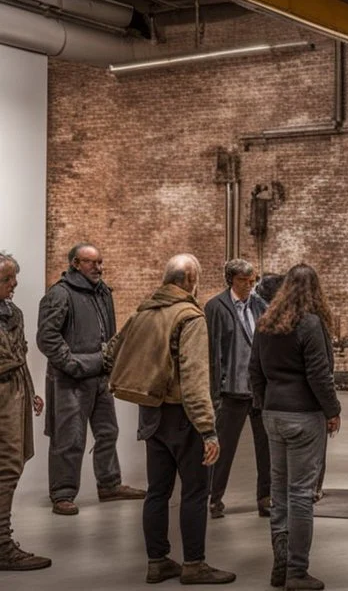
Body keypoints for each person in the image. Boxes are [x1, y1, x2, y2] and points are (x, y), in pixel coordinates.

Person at [104, 254, 235, 584]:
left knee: (157, 491)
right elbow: (194, 377)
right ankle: (194, 564)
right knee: (194, 491)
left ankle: (157, 561)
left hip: (150, 414)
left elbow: (111, 352)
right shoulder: (189, 317)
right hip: (182, 416)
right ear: (190, 279)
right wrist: (207, 429)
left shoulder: (144, 311)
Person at [250, 264, 342, 591]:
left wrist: (264, 405)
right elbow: (319, 375)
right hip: (304, 416)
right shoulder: (311, 324)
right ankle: (297, 571)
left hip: (273, 415)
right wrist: (332, 410)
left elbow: (254, 372)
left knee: (279, 492)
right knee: (301, 494)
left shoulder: (266, 324)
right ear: (315, 290)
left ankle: (281, 562)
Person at [37, 243, 145, 515]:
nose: (98, 267)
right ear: (75, 263)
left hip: (99, 377)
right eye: (91, 262)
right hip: (70, 381)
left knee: (108, 432)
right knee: (69, 439)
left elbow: (109, 334)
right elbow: (47, 337)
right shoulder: (60, 294)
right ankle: (62, 493)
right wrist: (72, 364)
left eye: (100, 262)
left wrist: (109, 364)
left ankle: (109, 484)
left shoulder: (103, 292)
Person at [207, 259, 271, 519]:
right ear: (231, 280)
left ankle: (265, 497)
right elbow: (213, 352)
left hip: (257, 390)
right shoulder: (216, 307)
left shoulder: (260, 306)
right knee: (223, 447)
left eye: (252, 280)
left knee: (265, 447)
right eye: (244, 280)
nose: (249, 285)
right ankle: (214, 498)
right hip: (231, 390)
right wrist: (214, 392)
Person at [0, 252, 51, 571]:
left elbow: (20, 353)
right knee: (6, 467)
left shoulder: (12, 312)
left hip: (13, 395)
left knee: (10, 464)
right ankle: (2, 546)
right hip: (4, 394)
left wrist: (30, 390)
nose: (14, 283)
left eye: (13, 277)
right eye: (6, 279)